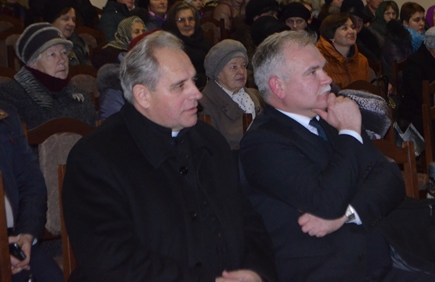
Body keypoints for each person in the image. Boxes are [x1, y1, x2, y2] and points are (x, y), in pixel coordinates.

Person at [240, 30, 435, 281]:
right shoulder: (263, 143)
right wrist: (350, 132)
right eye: (312, 72)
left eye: (323, 68)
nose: (327, 79)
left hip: (378, 252)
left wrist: (348, 214)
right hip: (326, 268)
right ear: (278, 86)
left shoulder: (330, 119)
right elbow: (326, 203)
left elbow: (389, 179)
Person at [62, 31, 276, 281]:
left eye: (193, 81)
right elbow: (110, 260)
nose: (197, 93)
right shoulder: (96, 158)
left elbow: (248, 221)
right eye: (180, 86)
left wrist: (255, 271)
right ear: (143, 95)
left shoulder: (210, 141)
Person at [0, 100, 64, 282]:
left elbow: (31, 184)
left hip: (13, 238)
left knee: (50, 277)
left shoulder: (5, 116)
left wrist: (26, 235)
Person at [0, 23, 96, 129]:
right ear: (33, 62)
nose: (62, 60)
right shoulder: (9, 96)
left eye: (64, 53)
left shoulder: (82, 98)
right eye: (52, 54)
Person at [199, 40, 264, 150]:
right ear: (218, 73)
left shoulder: (254, 96)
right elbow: (213, 148)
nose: (241, 71)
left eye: (243, 66)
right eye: (234, 67)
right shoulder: (204, 104)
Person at [163, 2, 212, 88]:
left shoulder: (203, 40)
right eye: (181, 20)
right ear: (173, 23)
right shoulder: (169, 46)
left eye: (190, 19)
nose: (187, 24)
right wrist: (206, 80)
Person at [316, 13, 369, 88]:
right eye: (345, 28)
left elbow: (367, 91)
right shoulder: (319, 60)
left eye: (353, 27)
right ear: (331, 35)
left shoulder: (362, 60)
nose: (352, 31)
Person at [43, 0, 91, 66]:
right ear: (51, 22)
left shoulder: (78, 42)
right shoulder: (43, 48)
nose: (71, 24)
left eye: (73, 20)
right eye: (65, 19)